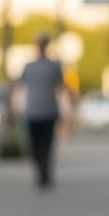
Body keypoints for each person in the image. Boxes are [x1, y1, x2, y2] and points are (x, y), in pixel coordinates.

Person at [19, 31, 71, 188]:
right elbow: (62, 88)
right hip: (41, 110)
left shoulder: (43, 66)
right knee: (43, 145)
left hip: (40, 111)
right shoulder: (45, 66)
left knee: (40, 145)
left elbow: (61, 88)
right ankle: (43, 172)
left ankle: (43, 173)